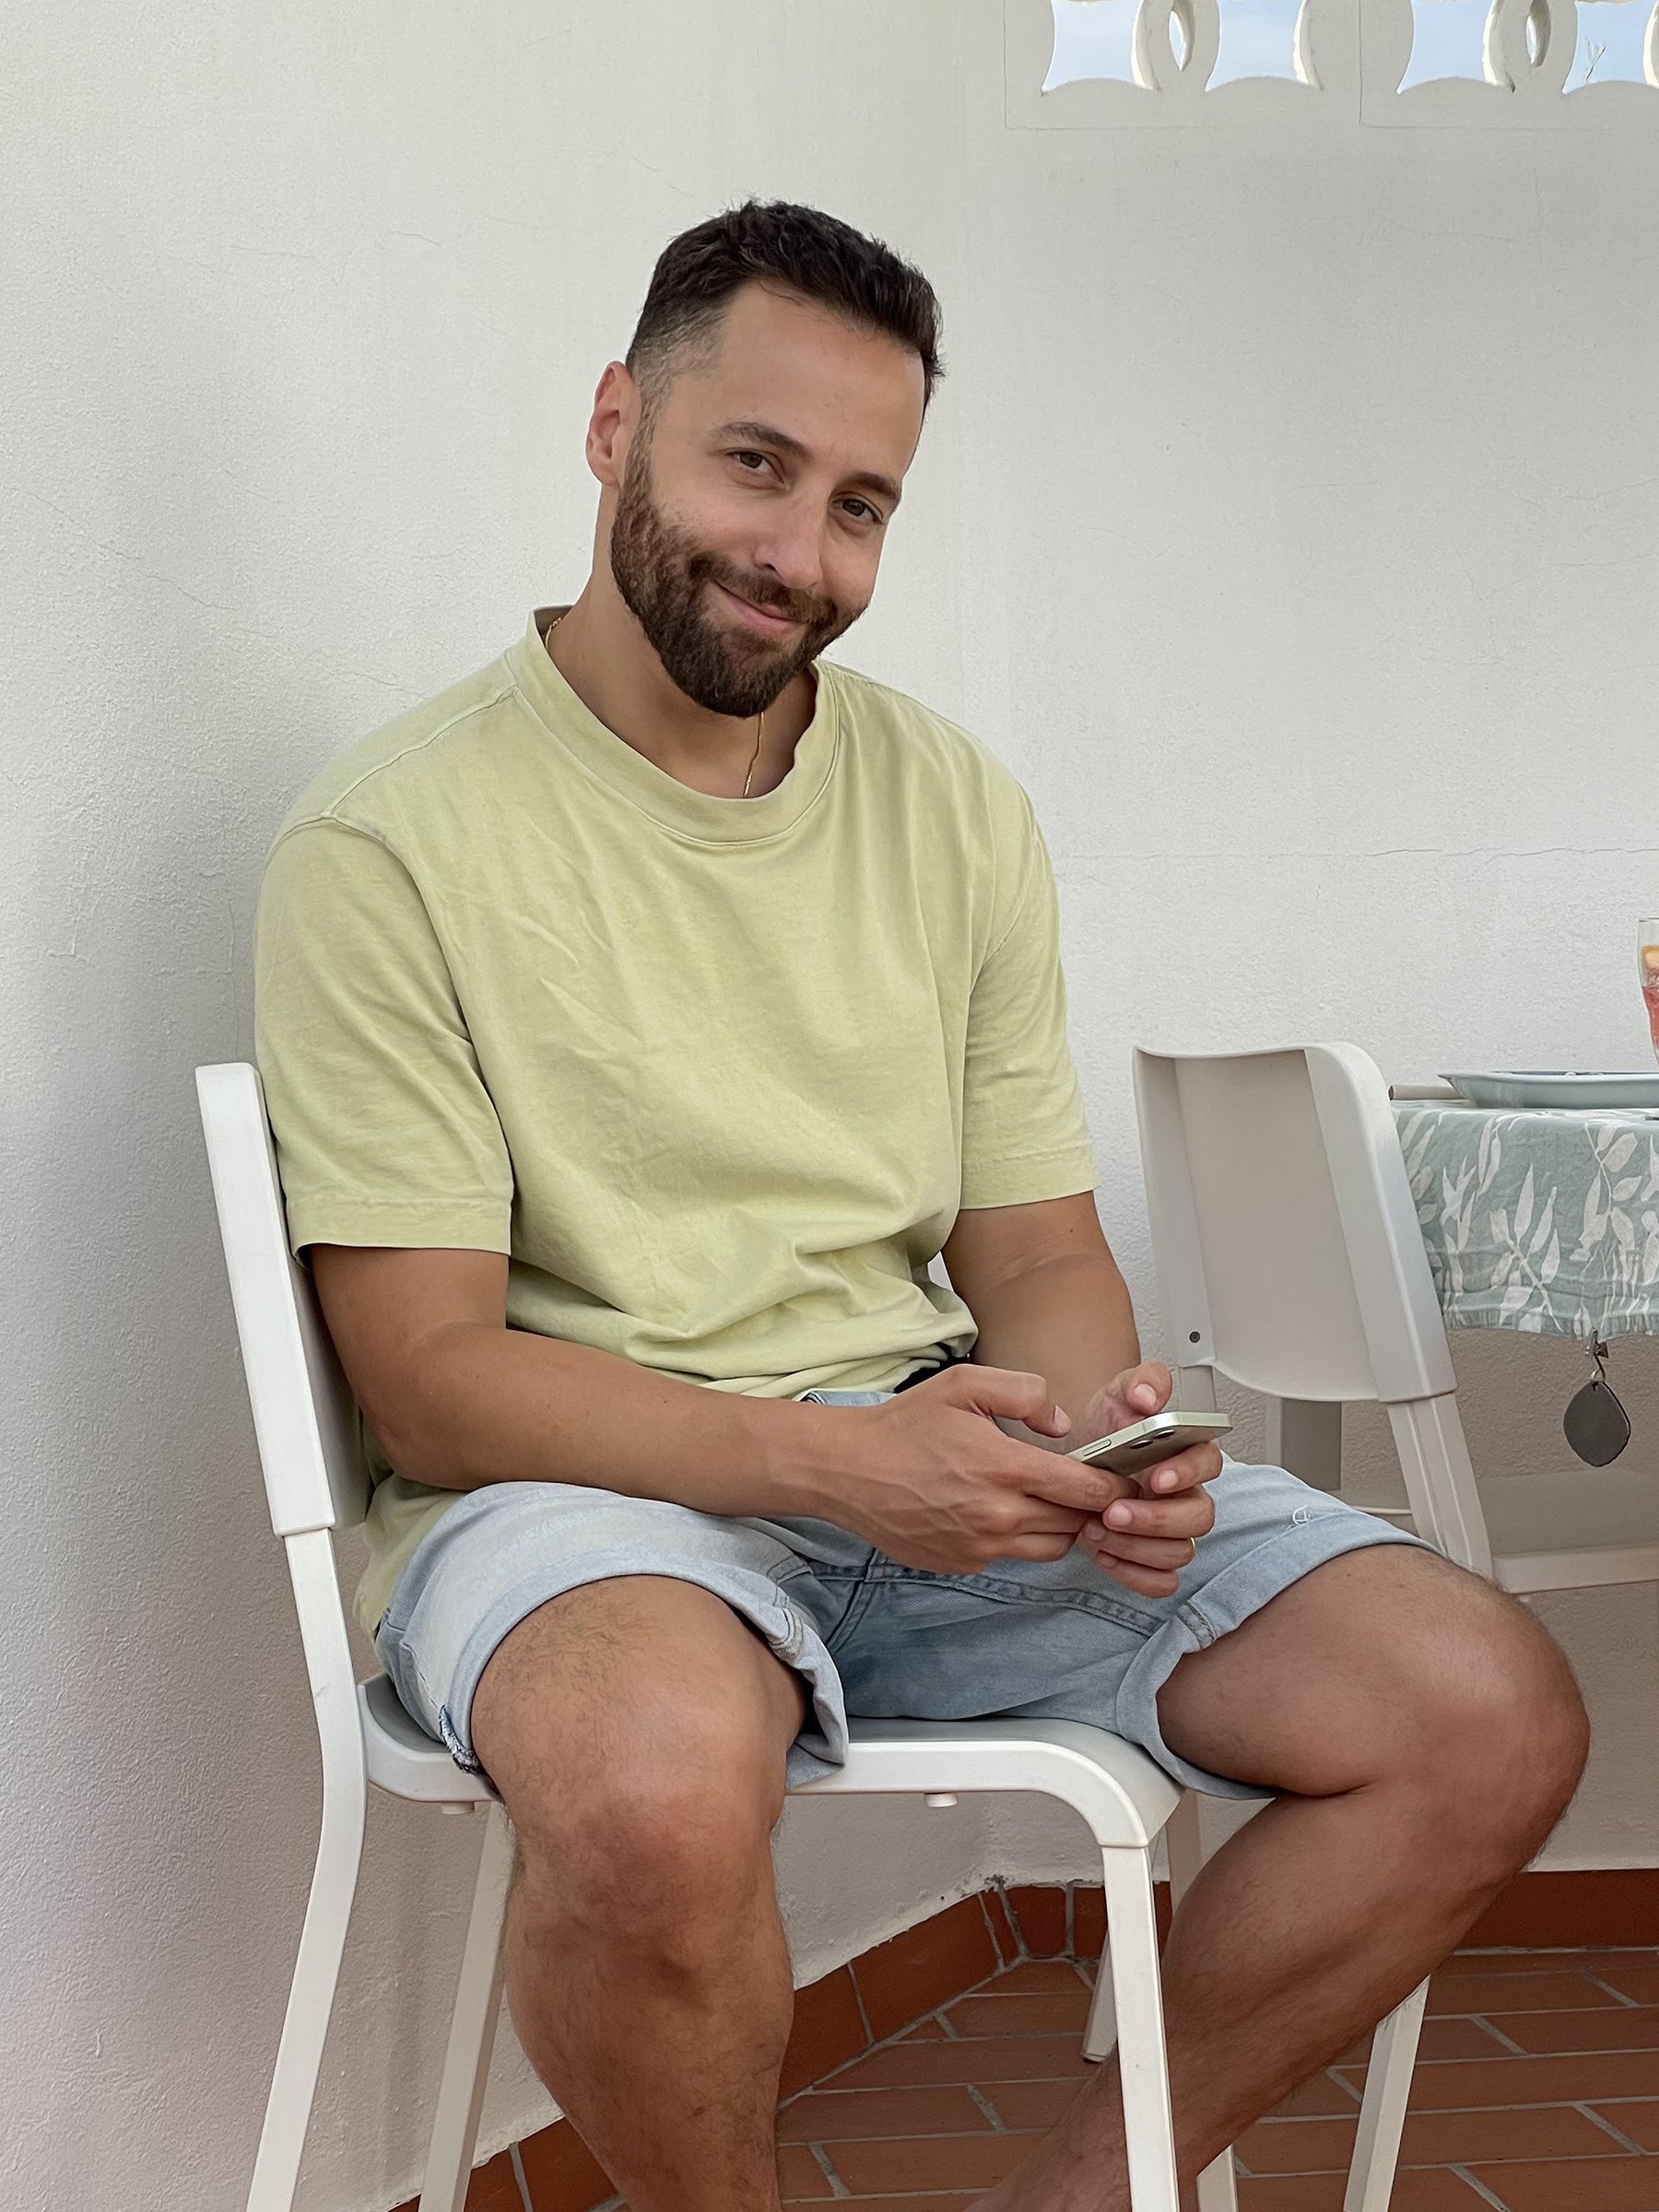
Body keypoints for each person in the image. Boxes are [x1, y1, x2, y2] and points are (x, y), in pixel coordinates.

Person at [254, 200, 1588, 2212]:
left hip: (929, 1462)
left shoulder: (955, 807)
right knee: (649, 1790)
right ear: (615, 425)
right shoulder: (394, 837)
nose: (801, 553)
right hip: (582, 1500)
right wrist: (837, 1469)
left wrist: (1091, 1442)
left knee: (1481, 1708)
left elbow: (1034, 1252)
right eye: (756, 465)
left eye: (861, 505)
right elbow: (429, 1380)